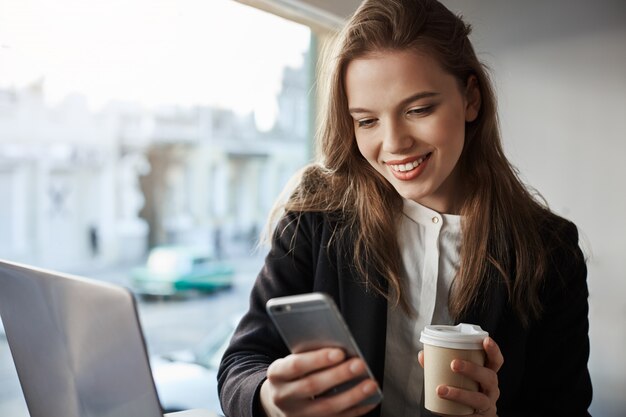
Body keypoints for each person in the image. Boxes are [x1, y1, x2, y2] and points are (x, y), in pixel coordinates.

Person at [217, 0, 592, 416]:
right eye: (366, 121)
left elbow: (566, 407)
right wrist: (270, 399)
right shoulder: (315, 218)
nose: (394, 143)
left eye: (418, 109)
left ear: (470, 99)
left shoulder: (550, 249)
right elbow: (240, 365)